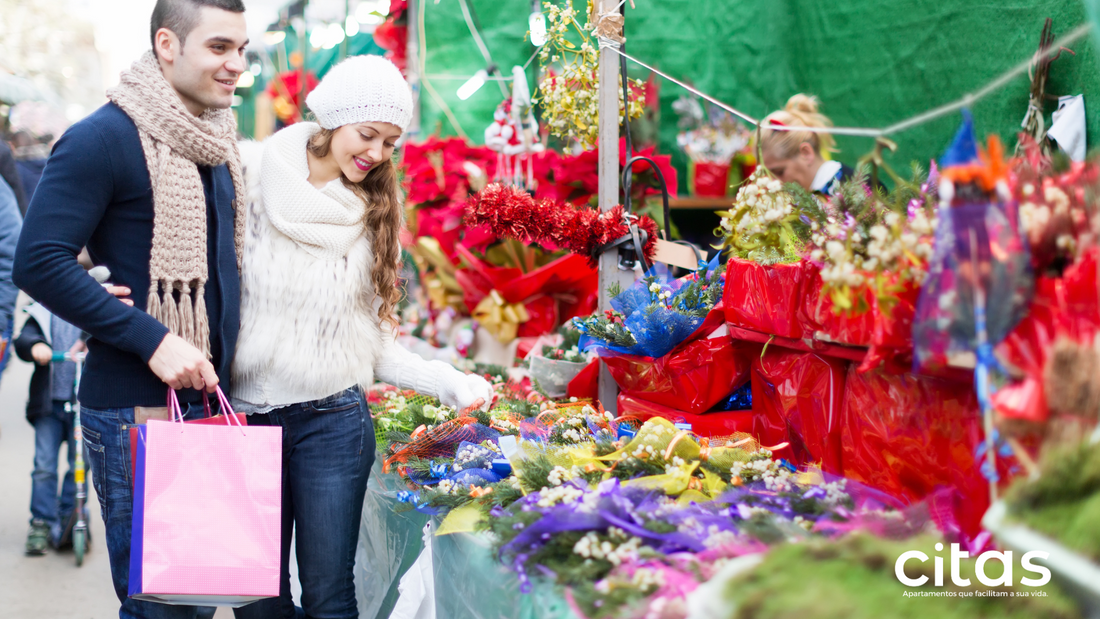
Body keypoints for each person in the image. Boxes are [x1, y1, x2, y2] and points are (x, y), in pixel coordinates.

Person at [230, 54, 493, 619]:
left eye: (391, 142)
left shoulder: (374, 214)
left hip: (332, 424)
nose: (376, 154)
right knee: (255, 600)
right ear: (330, 121)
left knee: (328, 595)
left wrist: (447, 380)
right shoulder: (244, 180)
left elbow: (373, 343)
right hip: (243, 421)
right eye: (367, 134)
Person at [12, 0, 248, 616]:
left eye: (241, 50)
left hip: (209, 402)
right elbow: (38, 260)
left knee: (200, 595)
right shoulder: (101, 137)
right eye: (219, 47)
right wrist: (152, 337)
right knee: (162, 605)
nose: (236, 65)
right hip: (134, 407)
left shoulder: (215, 143)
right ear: (167, 44)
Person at [14, 303, 87, 555]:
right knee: (44, 465)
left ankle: (71, 514)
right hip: (49, 405)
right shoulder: (43, 309)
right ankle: (42, 521)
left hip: (84, 406)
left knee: (79, 464)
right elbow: (24, 338)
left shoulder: (93, 307)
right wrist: (36, 346)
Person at [759, 94, 857, 197]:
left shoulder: (858, 192)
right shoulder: (802, 199)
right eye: (768, 175)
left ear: (806, 153)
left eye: (779, 172)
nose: (774, 184)